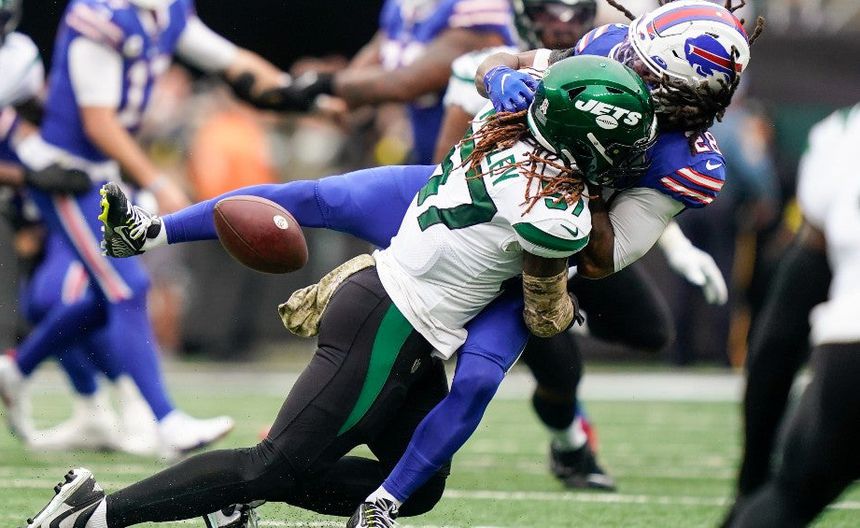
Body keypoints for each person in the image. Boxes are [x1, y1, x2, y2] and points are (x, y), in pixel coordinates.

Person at [97, 2, 762, 523]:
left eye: (647, 71)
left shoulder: (685, 162)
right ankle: (149, 233)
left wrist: (574, 175)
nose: (628, 68)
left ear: (687, 97)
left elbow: (603, 257)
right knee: (323, 196)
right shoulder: (611, 50)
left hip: (538, 247)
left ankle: (468, 474)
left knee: (485, 377)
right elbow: (497, 62)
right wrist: (502, 80)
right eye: (633, 56)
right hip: (484, 188)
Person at [25, 55, 657, 528]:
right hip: (390, 319)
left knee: (417, 486)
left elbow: (492, 70)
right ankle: (91, 513)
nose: (629, 156)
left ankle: (250, 495)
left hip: (410, 317)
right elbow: (552, 301)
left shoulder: (507, 122)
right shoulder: (551, 211)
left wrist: (497, 76)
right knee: (271, 464)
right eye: (620, 143)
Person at [435, 0, 729, 490]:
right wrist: (501, 80)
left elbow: (616, 220)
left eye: (572, 14)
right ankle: (571, 448)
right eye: (549, 13)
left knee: (650, 331)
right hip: (506, 230)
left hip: (578, 236)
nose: (561, 24)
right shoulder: (548, 60)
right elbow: (444, 164)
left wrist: (674, 244)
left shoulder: (676, 140)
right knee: (551, 370)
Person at [0, 0, 297, 456]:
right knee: (120, 288)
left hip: (92, 175)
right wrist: (30, 173)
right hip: (65, 177)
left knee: (108, 292)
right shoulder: (99, 18)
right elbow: (96, 122)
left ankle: (21, 370)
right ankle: (162, 417)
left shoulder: (25, 52)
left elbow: (229, 59)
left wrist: (301, 93)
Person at [726, 104, 860, 528]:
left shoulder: (844, 132)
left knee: (789, 497)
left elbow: (778, 339)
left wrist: (752, 479)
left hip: (851, 345)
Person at [246, 0, 518, 164]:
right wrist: (315, 96)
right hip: (424, 154)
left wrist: (323, 83)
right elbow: (368, 64)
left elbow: (407, 82)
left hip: (475, 162)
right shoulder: (403, 6)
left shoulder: (478, 6)